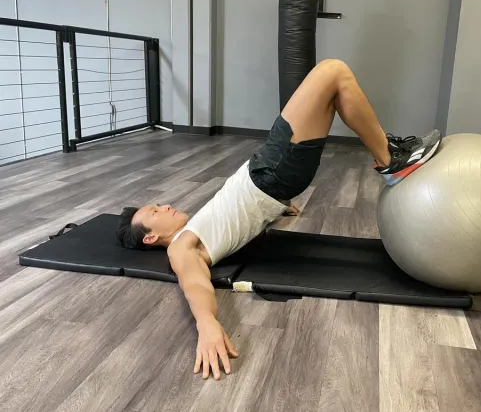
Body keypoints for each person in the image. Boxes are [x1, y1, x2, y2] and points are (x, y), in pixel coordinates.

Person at [116, 59, 441, 380]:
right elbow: (194, 284)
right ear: (149, 238)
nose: (164, 206)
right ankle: (390, 159)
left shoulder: (193, 232)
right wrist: (207, 325)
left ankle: (388, 150)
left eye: (157, 203)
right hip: (270, 172)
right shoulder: (179, 249)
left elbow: (235, 223)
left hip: (270, 178)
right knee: (333, 71)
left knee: (335, 88)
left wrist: (271, 209)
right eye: (154, 212)